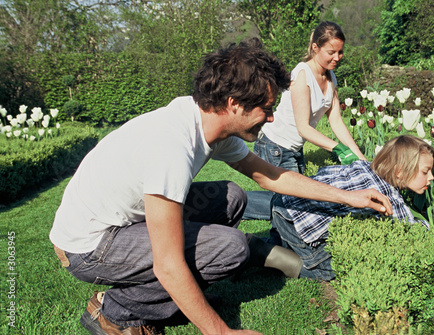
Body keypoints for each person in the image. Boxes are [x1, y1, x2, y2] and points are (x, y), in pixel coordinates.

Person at [50, 39, 393, 335]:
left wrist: (350, 197)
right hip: (89, 245)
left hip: (119, 222)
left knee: (233, 197)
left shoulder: (207, 122)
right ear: (234, 104)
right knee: (230, 249)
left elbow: (271, 176)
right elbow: (167, 263)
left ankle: (173, 298)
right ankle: (113, 310)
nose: (272, 118)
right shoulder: (172, 146)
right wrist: (221, 330)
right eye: (266, 109)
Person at [243, 21, 366, 221]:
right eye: (331, 52)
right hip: (274, 145)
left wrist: (359, 157)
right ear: (315, 47)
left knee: (291, 203)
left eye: (340, 52)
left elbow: (336, 121)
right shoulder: (302, 75)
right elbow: (303, 128)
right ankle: (232, 204)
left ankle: (246, 214)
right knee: (293, 207)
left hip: (294, 149)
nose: (337, 57)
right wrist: (338, 149)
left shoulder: (331, 77)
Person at [271, 135, 434, 281]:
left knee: (284, 243)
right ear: (399, 172)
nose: (432, 177)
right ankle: (264, 253)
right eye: (425, 172)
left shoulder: (365, 166)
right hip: (296, 221)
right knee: (328, 269)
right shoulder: (388, 199)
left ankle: (269, 244)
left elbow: (326, 171)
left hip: (285, 200)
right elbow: (413, 229)